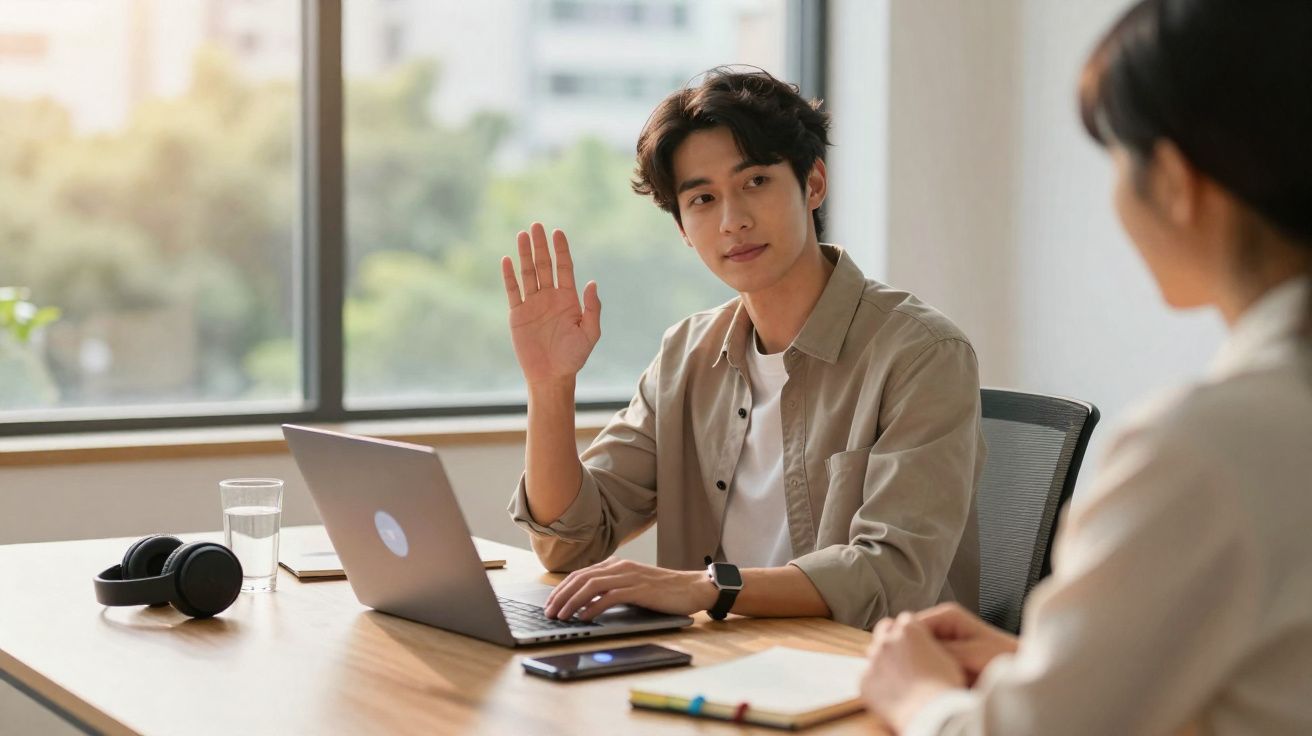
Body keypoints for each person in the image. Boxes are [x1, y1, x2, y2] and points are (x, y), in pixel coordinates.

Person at [860, 1, 1312, 733]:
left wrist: (916, 695)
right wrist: (1043, 665)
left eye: (1117, 160)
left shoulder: (1205, 447)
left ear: (1174, 181)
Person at [498, 69, 986, 630]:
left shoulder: (923, 353)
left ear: (813, 184)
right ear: (683, 228)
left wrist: (704, 588)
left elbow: (892, 576)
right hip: (718, 660)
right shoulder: (686, 355)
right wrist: (550, 386)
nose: (733, 221)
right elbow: (568, 543)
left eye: (755, 181)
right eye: (703, 198)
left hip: (862, 667)